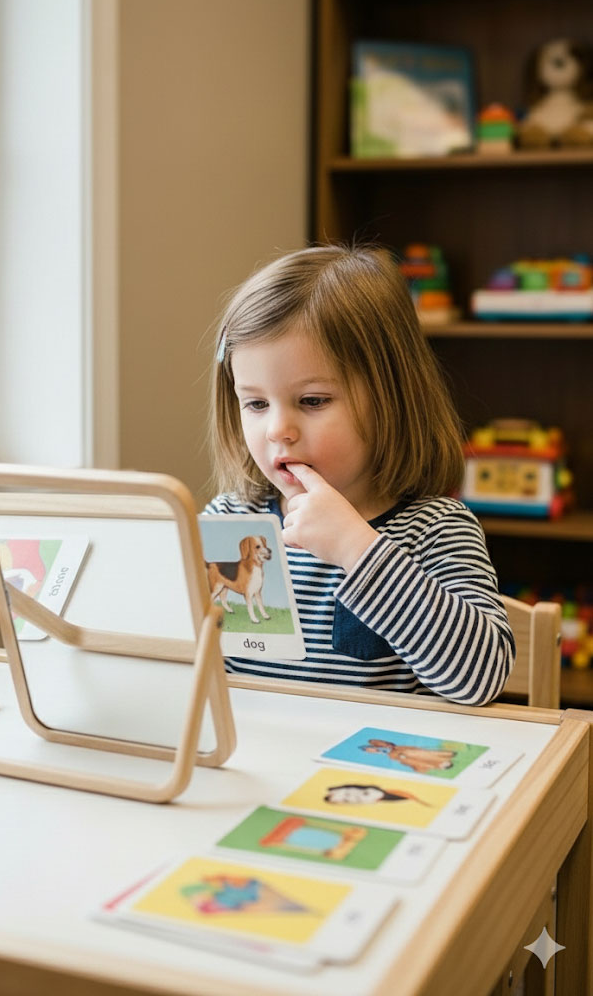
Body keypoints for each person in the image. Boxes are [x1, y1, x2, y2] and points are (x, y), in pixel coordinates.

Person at [204, 244, 514, 705]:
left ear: (390, 399)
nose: (277, 430)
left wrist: (357, 548)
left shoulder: (433, 529)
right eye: (256, 403)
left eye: (312, 401)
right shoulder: (231, 520)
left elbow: (480, 678)